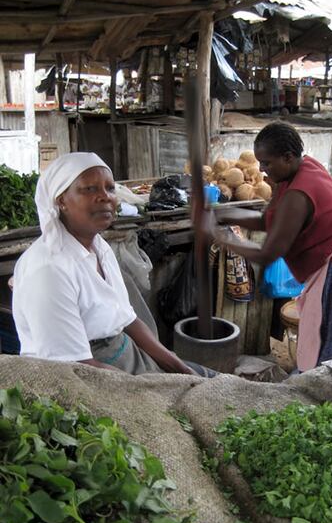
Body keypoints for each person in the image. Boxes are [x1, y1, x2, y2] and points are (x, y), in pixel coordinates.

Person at [12, 152, 209, 376]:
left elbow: (127, 319)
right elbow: (75, 368)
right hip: (87, 374)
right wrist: (152, 387)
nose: (105, 197)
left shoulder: (99, 247)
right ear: (61, 201)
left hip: (122, 354)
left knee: (207, 380)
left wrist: (178, 367)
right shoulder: (49, 270)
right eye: (89, 189)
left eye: (110, 188)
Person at [207, 121, 332, 371]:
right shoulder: (298, 171)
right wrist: (223, 215)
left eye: (266, 162)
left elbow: (269, 253)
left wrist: (224, 238)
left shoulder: (298, 193)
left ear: (288, 157)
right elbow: (266, 219)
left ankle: (325, 388)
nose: (262, 169)